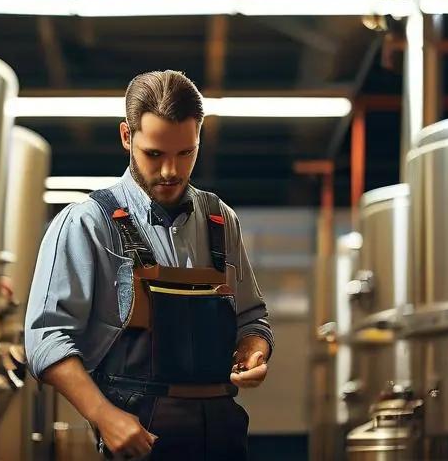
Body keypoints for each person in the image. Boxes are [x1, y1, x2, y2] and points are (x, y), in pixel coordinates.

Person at [24, 70, 274, 460]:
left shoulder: (220, 220)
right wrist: (105, 416)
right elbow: (46, 339)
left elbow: (252, 317)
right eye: (154, 154)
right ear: (127, 136)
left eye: (185, 153)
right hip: (139, 441)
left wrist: (254, 348)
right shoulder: (88, 223)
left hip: (222, 438)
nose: (171, 171)